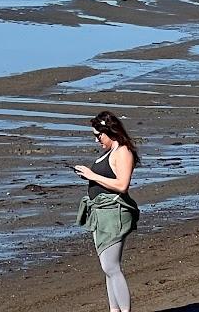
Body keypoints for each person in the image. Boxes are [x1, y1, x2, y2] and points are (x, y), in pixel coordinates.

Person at [74, 110, 140, 312]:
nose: (97, 140)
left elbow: (122, 185)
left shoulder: (123, 152)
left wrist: (92, 175)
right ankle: (114, 310)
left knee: (112, 267)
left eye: (98, 135)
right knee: (107, 268)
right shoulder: (109, 152)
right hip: (100, 214)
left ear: (109, 131)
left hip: (113, 213)